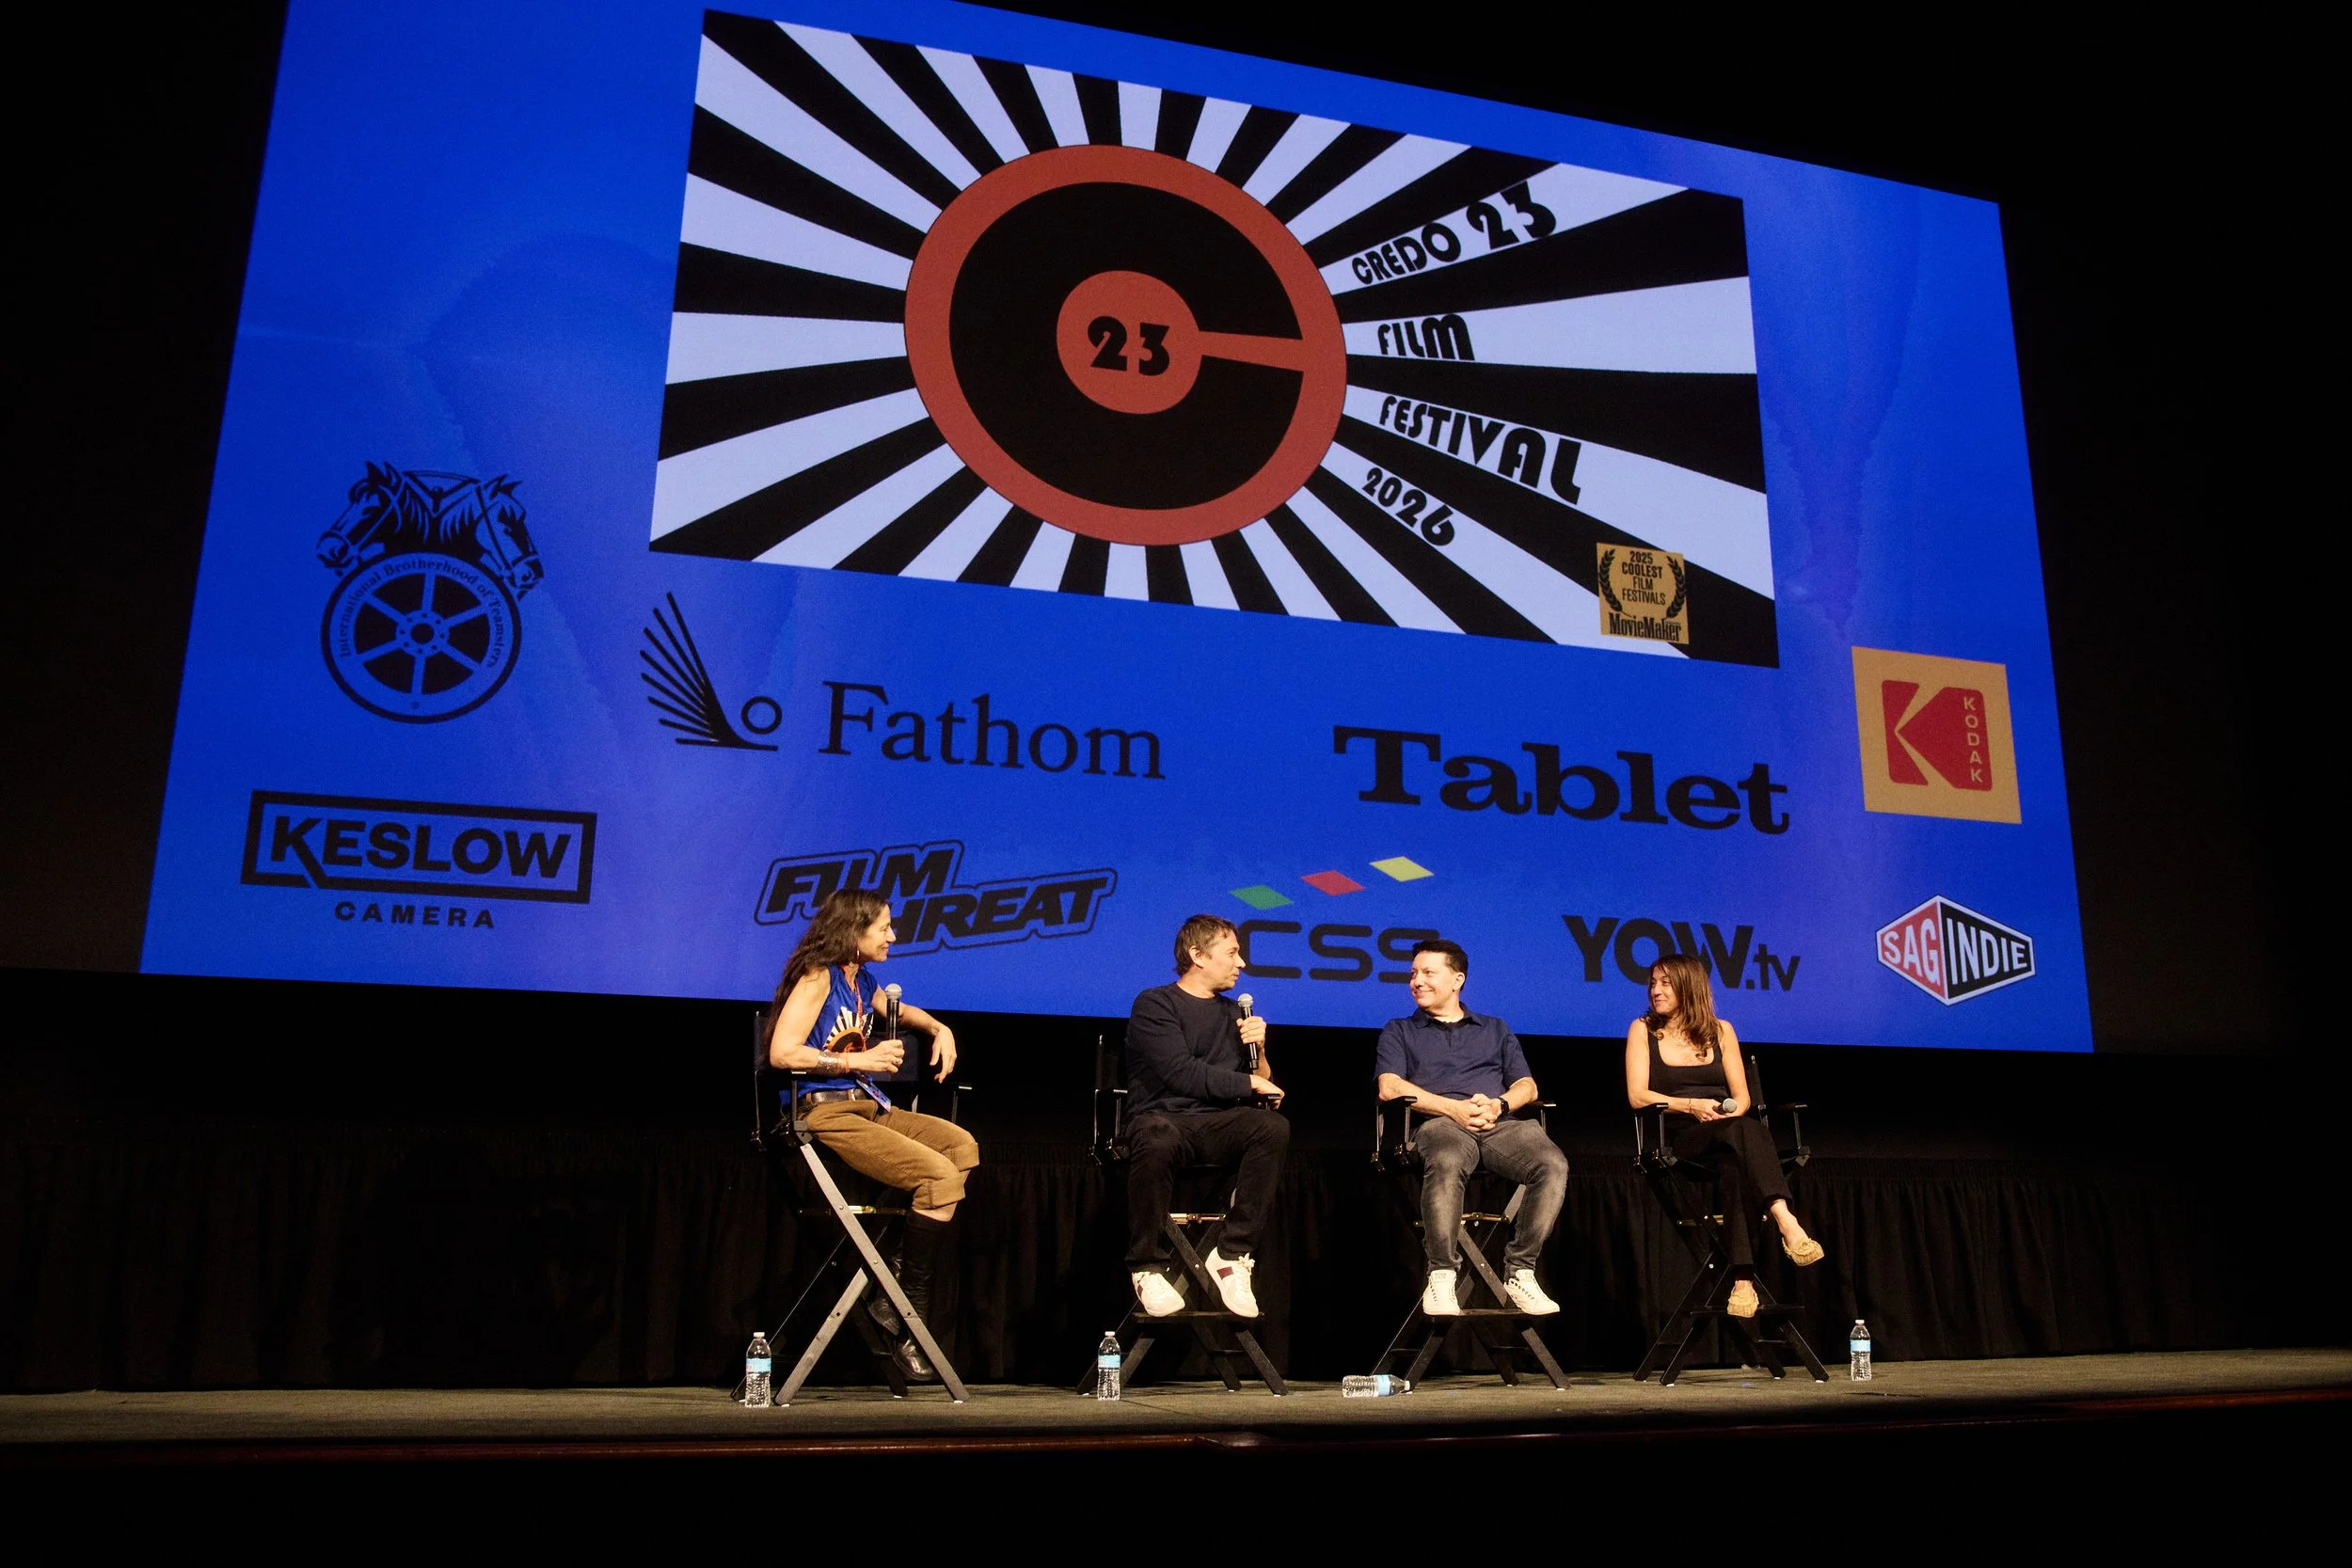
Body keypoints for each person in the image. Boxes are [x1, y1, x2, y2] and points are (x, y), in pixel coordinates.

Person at [769, 889, 977, 1380]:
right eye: (884, 926)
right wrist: (857, 1061)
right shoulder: (818, 976)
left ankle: (891, 1291)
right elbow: (783, 1052)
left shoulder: (861, 979)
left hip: (866, 1107)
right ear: (853, 929)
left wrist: (938, 1027)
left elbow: (899, 1012)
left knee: (961, 1145)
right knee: (940, 1176)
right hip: (823, 1113)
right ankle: (910, 1312)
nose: (893, 934)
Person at [1624, 951, 1823, 1318]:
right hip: (1683, 1138)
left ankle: (1743, 1280)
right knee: (1745, 1134)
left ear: (1689, 986)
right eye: (1653, 983)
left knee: (1737, 1159)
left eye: (1665, 983)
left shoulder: (1722, 1031)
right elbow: (1638, 1096)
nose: (1656, 990)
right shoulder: (1644, 1030)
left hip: (1726, 1130)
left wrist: (1723, 1111)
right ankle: (1786, 1220)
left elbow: (1743, 1097)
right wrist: (1692, 1106)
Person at [1375, 939, 1568, 1317]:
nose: (1417, 981)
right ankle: (1443, 1274)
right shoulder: (1400, 1030)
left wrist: (1499, 1104)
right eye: (1413, 973)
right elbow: (1389, 1086)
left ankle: (1521, 1271)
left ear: (1457, 979)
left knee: (1551, 1163)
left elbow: (1527, 1087)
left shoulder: (1494, 1028)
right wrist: (1454, 1109)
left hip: (1496, 1122)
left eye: (1428, 973)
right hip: (1439, 1122)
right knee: (1446, 1159)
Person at [1122, 914, 1289, 1319]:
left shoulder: (1236, 1012)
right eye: (1232, 952)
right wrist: (1250, 1087)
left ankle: (1232, 1254)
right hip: (1164, 1119)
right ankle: (1146, 1265)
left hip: (1216, 1122)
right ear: (1197, 955)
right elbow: (1181, 1073)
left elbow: (1260, 1082)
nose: (1242, 963)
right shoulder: (1155, 1003)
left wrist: (1260, 1052)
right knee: (1156, 1136)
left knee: (1270, 1127)